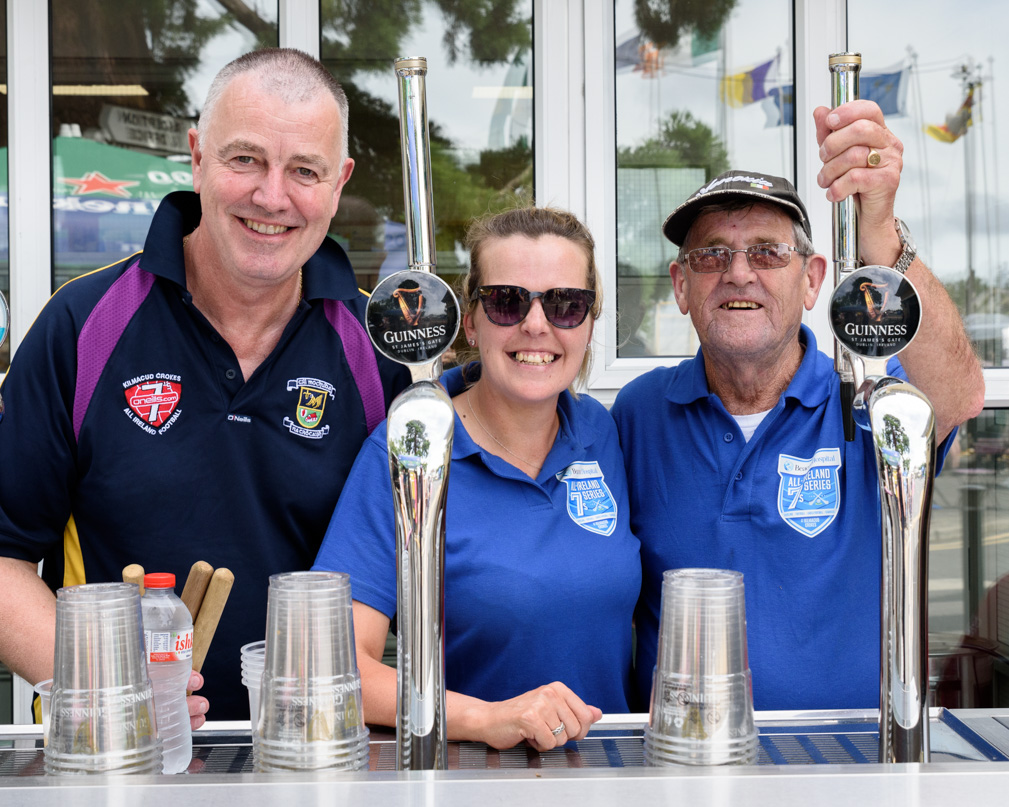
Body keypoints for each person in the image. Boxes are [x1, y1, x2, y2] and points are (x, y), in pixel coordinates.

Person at [0, 48, 408, 723]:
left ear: (339, 182)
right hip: (113, 761)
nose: (271, 195)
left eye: (303, 170)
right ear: (196, 154)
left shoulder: (378, 351)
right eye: (244, 159)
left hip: (311, 754)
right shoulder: (81, 325)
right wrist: (108, 692)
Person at [612, 100, 985, 712]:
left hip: (855, 762)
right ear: (682, 285)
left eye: (766, 252)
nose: (738, 273)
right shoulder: (638, 414)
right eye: (711, 254)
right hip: (683, 765)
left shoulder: (876, 401)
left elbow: (961, 393)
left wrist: (882, 234)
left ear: (813, 280)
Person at [313, 207, 641, 750]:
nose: (537, 324)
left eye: (566, 305)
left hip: (609, 775)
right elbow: (336, 667)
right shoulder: (412, 448)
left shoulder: (601, 433)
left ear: (588, 322)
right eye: (508, 302)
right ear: (471, 319)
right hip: (469, 777)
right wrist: (486, 719)